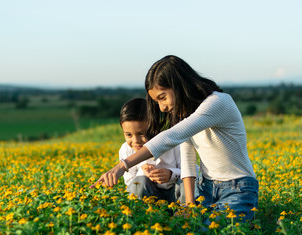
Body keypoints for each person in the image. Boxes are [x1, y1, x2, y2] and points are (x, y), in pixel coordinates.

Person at [91, 55, 258, 220]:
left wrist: (123, 166)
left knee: (210, 232)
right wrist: (189, 205)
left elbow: (170, 137)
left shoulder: (218, 102)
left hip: (238, 188)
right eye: (157, 102)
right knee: (186, 228)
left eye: (162, 97)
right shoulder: (186, 114)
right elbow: (187, 160)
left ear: (179, 86)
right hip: (205, 188)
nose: (162, 108)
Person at [119, 98, 189, 203]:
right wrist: (142, 172)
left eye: (141, 133)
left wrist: (171, 174)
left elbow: (193, 171)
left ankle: (185, 214)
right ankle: (143, 216)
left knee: (185, 183)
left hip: (175, 196)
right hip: (149, 200)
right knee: (138, 183)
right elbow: (130, 183)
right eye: (128, 134)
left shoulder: (173, 143)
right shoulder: (126, 149)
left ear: (155, 126)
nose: (136, 141)